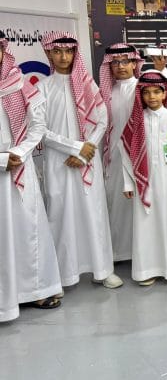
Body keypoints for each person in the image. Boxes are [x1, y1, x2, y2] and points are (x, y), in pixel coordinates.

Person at [38, 32, 122, 289]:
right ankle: (64, 275)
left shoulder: (89, 85)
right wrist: (76, 148)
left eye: (69, 51)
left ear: (75, 53)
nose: (64, 57)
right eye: (58, 51)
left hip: (87, 159)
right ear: (49, 53)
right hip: (59, 162)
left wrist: (87, 149)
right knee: (61, 215)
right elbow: (39, 130)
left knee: (94, 213)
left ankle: (102, 270)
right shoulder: (42, 88)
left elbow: (101, 121)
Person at [1, 33, 62, 321]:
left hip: (20, 166)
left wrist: (19, 152)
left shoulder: (21, 85)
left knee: (29, 230)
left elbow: (38, 126)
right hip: (5, 164)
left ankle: (35, 290)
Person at [121, 71, 167, 285]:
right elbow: (125, 153)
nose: (152, 96)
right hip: (144, 183)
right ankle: (148, 270)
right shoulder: (136, 121)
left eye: (156, 92)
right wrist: (128, 182)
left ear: (165, 94)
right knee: (147, 225)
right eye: (147, 93)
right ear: (140, 95)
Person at [98, 43, 142, 262]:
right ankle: (120, 252)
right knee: (117, 202)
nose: (120, 66)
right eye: (115, 62)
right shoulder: (105, 93)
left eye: (125, 61)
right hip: (115, 157)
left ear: (134, 63)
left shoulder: (145, 88)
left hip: (143, 156)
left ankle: (143, 252)